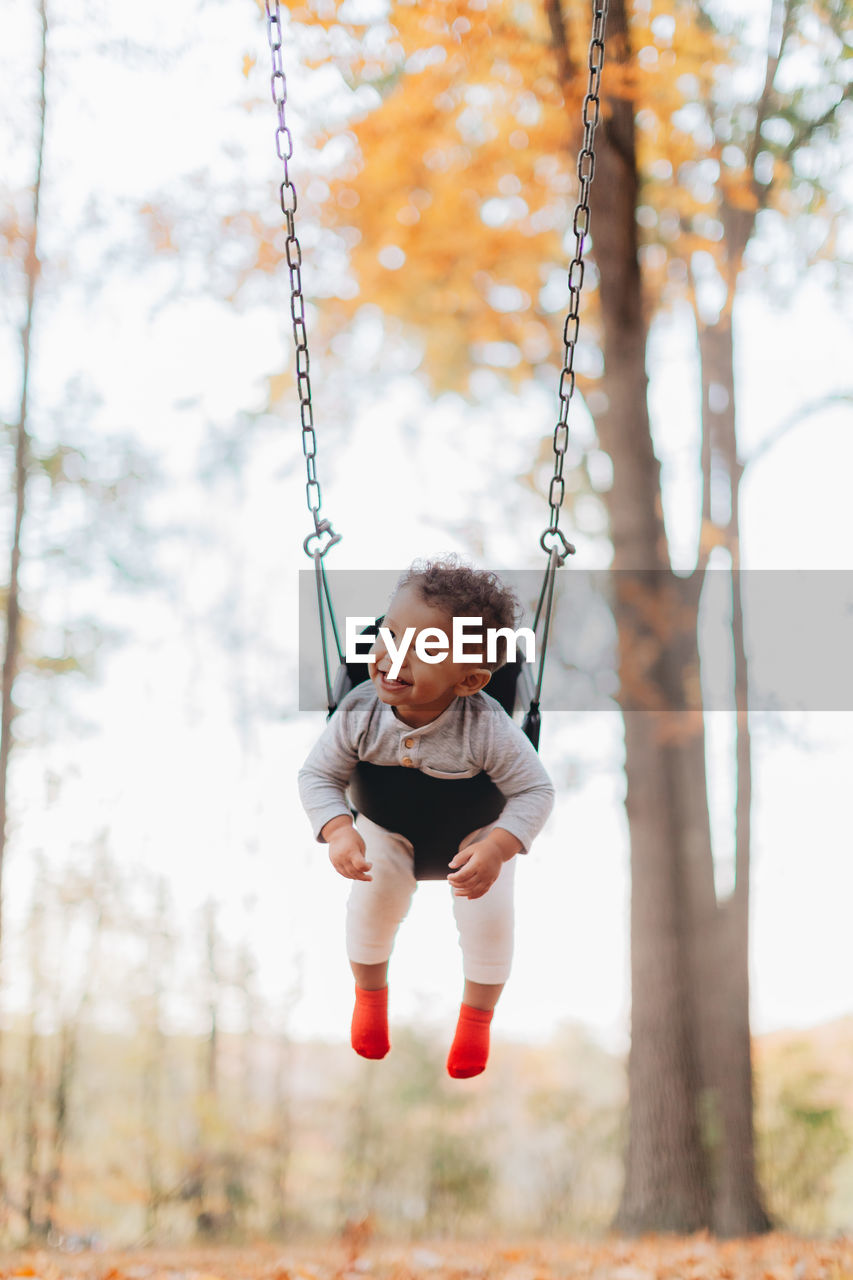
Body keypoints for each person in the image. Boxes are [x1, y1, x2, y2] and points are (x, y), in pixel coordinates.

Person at [298, 557, 555, 1078]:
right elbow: (317, 776)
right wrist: (338, 830)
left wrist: (499, 846)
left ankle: (476, 1019)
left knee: (491, 915)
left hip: (475, 834)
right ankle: (369, 1000)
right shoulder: (358, 711)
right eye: (389, 635)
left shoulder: (487, 725)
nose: (395, 657)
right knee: (373, 898)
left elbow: (534, 789)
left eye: (426, 649)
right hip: (384, 828)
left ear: (469, 680)